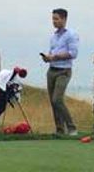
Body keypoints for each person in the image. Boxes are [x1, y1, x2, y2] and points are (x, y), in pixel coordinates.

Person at [41, 8, 79, 136]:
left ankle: (72, 127)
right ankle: (60, 130)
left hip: (64, 71)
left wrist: (54, 57)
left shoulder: (71, 34)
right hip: (52, 70)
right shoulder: (53, 36)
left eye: (56, 19)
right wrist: (48, 58)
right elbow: (52, 53)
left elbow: (73, 53)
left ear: (64, 19)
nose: (54, 21)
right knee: (53, 101)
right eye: (53, 19)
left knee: (57, 99)